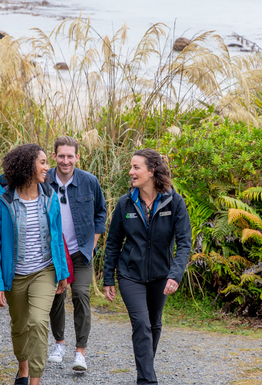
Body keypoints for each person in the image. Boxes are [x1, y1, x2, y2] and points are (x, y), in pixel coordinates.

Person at [103, 149, 192, 385]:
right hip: (130, 274)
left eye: (136, 167)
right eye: (131, 167)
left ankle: (145, 369)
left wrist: (175, 275)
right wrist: (108, 278)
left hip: (162, 274)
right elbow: (113, 243)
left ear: (151, 171)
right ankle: (147, 381)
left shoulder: (174, 201)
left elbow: (184, 243)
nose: (131, 172)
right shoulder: (125, 203)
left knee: (154, 324)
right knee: (141, 324)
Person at [0, 143, 70, 385]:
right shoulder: (2, 201)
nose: (48, 167)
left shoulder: (50, 196)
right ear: (27, 166)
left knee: (38, 322)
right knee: (20, 325)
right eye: (43, 162)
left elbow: (57, 236)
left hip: (44, 271)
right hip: (15, 276)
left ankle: (35, 379)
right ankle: (22, 368)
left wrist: (62, 272)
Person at [45, 136, 107, 372]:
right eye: (61, 156)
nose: (65, 160)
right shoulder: (44, 181)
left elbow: (101, 212)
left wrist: (92, 243)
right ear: (54, 156)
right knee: (55, 296)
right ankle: (59, 344)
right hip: (54, 252)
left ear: (77, 157)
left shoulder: (89, 181)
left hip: (80, 251)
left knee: (81, 294)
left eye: (70, 156)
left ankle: (80, 352)